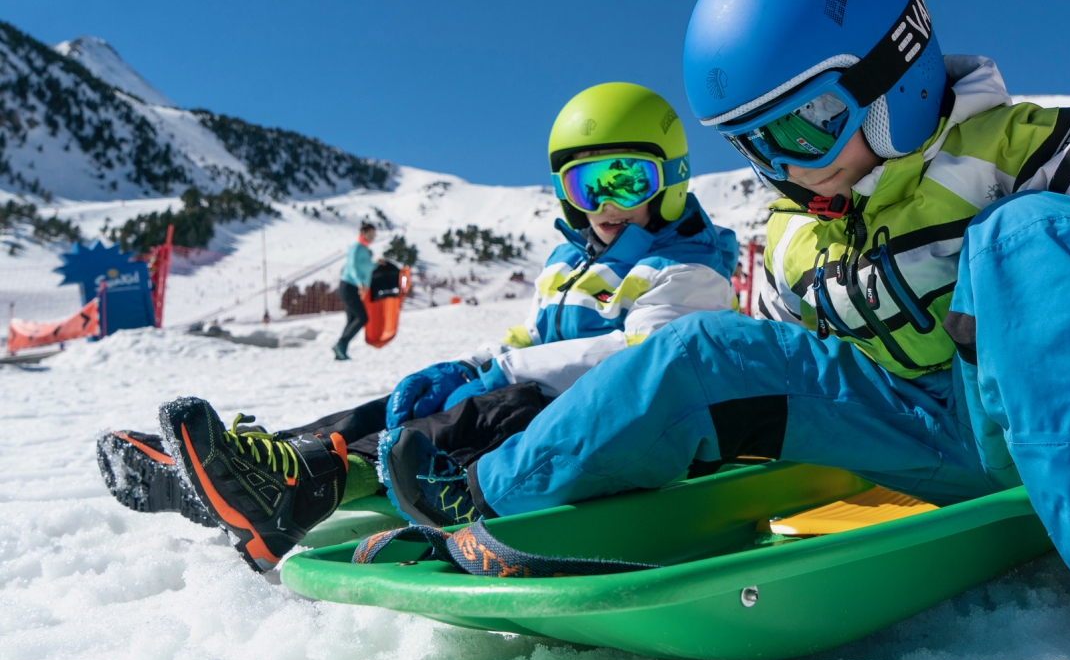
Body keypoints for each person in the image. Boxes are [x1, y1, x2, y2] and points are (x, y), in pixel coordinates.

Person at [358, 0, 1070, 660]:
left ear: (893, 77)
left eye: (808, 127)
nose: (785, 170)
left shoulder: (1017, 147)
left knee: (1024, 236)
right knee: (709, 347)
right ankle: (489, 499)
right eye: (757, 146)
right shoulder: (795, 232)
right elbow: (764, 372)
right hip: (916, 433)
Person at [97, 82, 739, 572]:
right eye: (584, 182)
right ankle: (253, 464)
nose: (604, 203)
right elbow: (534, 336)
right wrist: (473, 362)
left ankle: (297, 491)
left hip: (615, 426)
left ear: (672, 178)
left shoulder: (688, 269)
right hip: (543, 399)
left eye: (626, 180)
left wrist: (507, 372)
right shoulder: (570, 260)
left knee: (474, 416)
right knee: (406, 402)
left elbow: (644, 362)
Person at [334, 223, 379, 360]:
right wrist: (360, 282)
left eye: (374, 235)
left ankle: (341, 351)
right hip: (348, 286)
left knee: (351, 320)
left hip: (353, 287)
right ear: (363, 233)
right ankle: (341, 345)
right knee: (362, 318)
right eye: (370, 234)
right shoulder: (356, 247)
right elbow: (352, 266)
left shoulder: (364, 249)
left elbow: (366, 267)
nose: (372, 238)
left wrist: (377, 264)